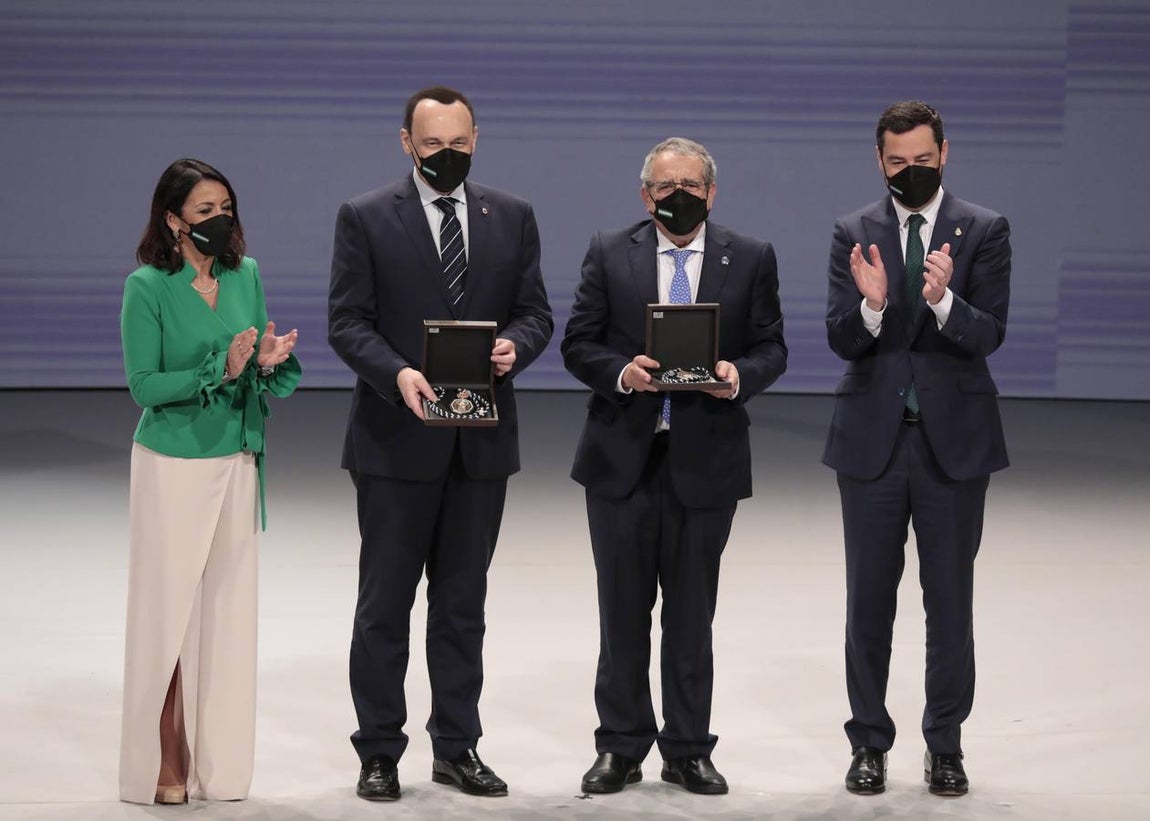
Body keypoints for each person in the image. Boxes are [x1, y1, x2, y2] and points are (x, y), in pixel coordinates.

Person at [328, 86, 553, 802]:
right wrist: (398, 373)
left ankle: (457, 746)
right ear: (406, 143)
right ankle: (379, 752)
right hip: (397, 440)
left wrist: (516, 347)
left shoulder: (511, 216)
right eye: (433, 145)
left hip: (480, 446)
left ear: (476, 139)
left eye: (458, 144)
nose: (447, 156)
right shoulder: (364, 217)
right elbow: (347, 322)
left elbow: (535, 312)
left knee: (462, 606)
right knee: (385, 605)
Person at [562, 137, 787, 797]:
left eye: (692, 184)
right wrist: (621, 373)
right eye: (666, 185)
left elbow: (772, 346)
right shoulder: (610, 250)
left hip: (706, 461)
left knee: (691, 616)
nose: (679, 195)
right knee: (622, 613)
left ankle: (688, 749)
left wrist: (737, 376)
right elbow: (580, 341)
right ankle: (621, 746)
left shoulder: (747, 258)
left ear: (712, 193)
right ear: (646, 194)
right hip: (621, 462)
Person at [823, 100, 1011, 797]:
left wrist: (942, 302)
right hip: (870, 446)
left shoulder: (984, 229)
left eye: (922, 160)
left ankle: (946, 745)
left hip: (952, 446)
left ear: (943, 153)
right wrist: (872, 306)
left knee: (950, 601)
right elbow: (842, 337)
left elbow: (989, 332)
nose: (910, 172)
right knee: (867, 603)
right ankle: (868, 741)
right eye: (897, 162)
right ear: (880, 160)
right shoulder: (854, 230)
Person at [119, 158, 301, 804]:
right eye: (204, 212)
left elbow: (251, 359)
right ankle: (166, 751)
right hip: (172, 464)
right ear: (173, 220)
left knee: (227, 615)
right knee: (168, 613)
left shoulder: (245, 275)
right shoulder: (147, 287)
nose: (219, 221)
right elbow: (144, 385)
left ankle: (219, 764)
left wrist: (266, 361)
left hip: (238, 460)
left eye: (226, 208)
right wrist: (215, 369)